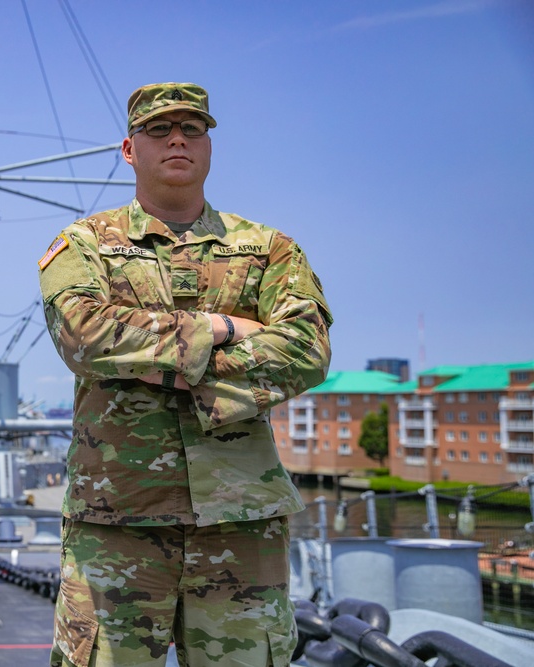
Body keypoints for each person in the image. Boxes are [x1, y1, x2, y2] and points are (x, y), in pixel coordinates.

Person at [38, 82, 333, 667]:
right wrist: (223, 328)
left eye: (192, 129)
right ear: (130, 149)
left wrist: (153, 360)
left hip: (239, 521)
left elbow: (307, 349)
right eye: (158, 129)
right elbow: (85, 337)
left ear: (208, 147)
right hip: (118, 518)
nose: (177, 138)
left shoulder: (270, 250)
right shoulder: (84, 245)